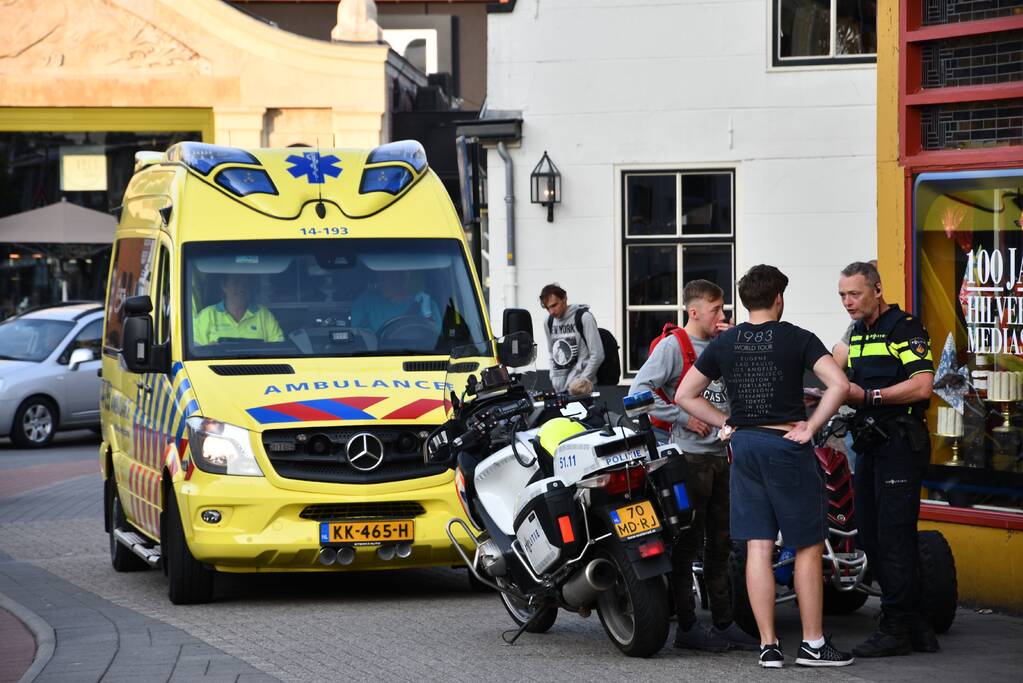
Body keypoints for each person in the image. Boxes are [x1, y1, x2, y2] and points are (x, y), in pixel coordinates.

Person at [676, 264, 853, 669]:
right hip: (785, 446)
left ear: (744, 301)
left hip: (745, 447)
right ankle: (812, 644)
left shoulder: (726, 342)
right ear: (778, 298)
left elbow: (686, 394)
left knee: (757, 545)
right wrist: (811, 425)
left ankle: (768, 646)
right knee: (807, 545)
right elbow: (839, 385)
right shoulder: (798, 338)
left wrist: (727, 423)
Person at [630, 279, 757, 653]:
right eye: (716, 309)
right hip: (689, 459)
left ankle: (723, 623)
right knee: (687, 545)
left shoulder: (725, 343)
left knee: (721, 543)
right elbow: (637, 392)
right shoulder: (674, 347)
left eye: (723, 308)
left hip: (722, 458)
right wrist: (682, 418)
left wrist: (740, 347)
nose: (723, 315)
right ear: (694, 311)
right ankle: (687, 626)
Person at [838, 261, 939, 658]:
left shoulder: (904, 327)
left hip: (899, 443)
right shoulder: (858, 332)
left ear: (877, 290)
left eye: (855, 294)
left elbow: (922, 385)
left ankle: (896, 626)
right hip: (869, 444)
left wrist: (871, 397)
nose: (848, 302)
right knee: (871, 535)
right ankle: (916, 625)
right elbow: (836, 366)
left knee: (894, 537)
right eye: (843, 295)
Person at [540, 283, 603, 394]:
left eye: (554, 305)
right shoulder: (548, 322)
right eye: (547, 308)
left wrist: (582, 381)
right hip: (559, 388)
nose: (551, 312)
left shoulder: (584, 317)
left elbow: (597, 354)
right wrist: (553, 377)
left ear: (564, 298)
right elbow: (552, 353)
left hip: (581, 388)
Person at [194, 274, 284, 346]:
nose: (241, 288)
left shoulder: (264, 315)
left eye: (246, 284)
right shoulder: (206, 315)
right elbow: (195, 350)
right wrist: (209, 350)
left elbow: (278, 346)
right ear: (224, 286)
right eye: (235, 283)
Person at [351, 270, 441, 334]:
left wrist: (428, 315)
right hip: (376, 355)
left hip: (418, 353)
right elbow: (354, 332)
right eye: (380, 278)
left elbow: (435, 337)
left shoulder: (425, 303)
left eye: (388, 277)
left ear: (403, 279)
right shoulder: (367, 301)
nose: (381, 282)